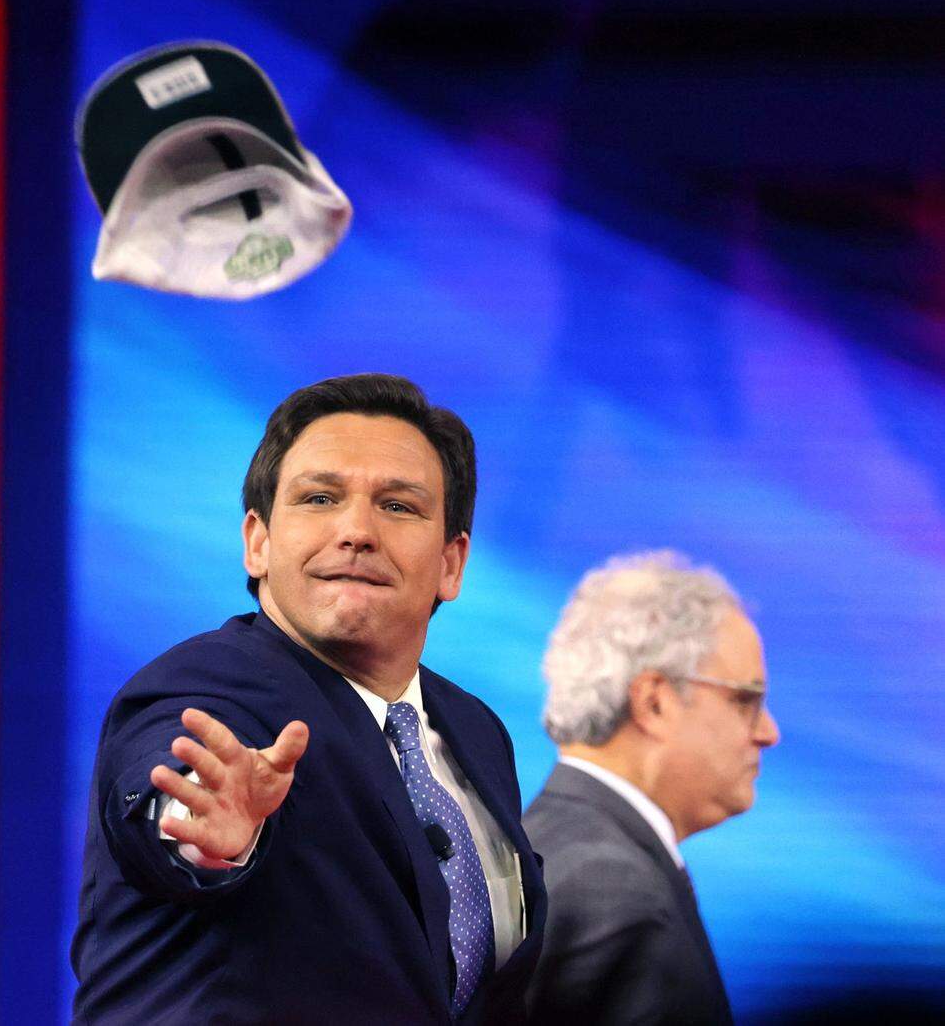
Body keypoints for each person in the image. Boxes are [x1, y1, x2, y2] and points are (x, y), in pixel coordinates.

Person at [71, 373, 546, 1024]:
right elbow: (167, 770)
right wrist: (200, 832)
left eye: (398, 506)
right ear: (257, 541)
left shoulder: (475, 729)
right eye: (319, 498)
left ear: (451, 563)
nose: (356, 530)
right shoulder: (207, 686)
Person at [523, 551, 780, 1025]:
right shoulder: (620, 895)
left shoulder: (536, 843)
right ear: (654, 702)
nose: (768, 731)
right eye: (746, 699)